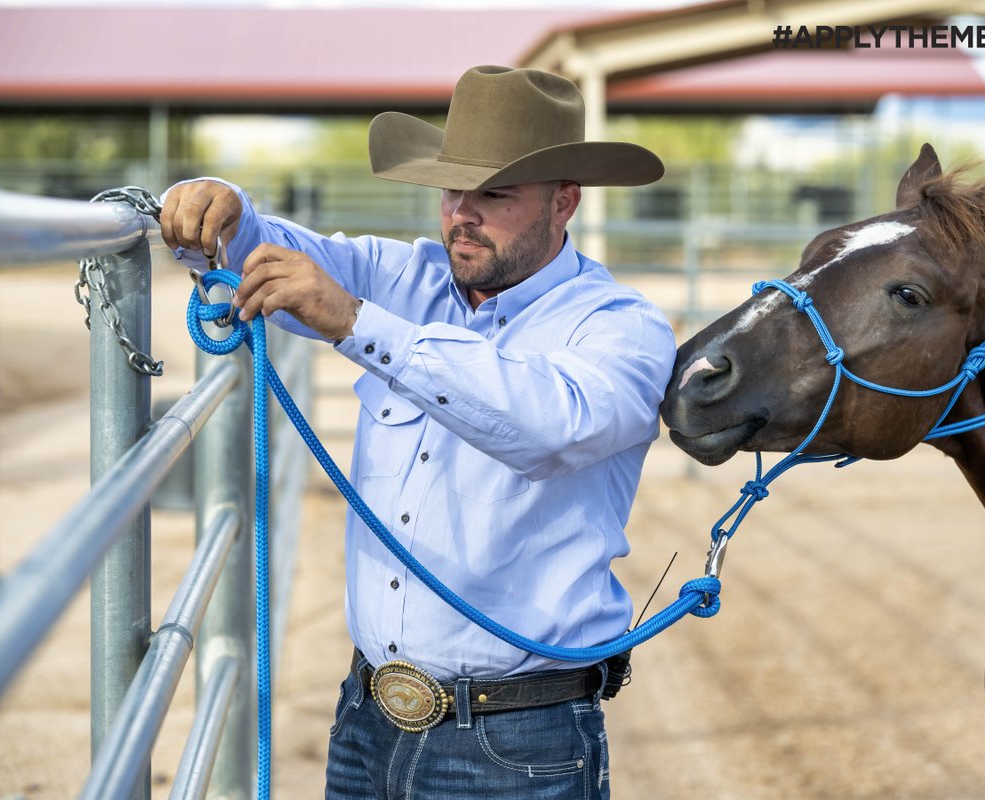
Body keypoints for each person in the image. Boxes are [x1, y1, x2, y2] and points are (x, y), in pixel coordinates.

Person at [160, 64, 676, 799]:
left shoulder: (621, 329)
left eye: (494, 194)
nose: (462, 212)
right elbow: (271, 248)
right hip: (369, 714)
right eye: (451, 189)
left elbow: (549, 427)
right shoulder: (408, 276)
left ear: (565, 201)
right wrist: (223, 208)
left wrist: (357, 323)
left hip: (517, 741)